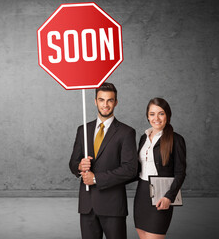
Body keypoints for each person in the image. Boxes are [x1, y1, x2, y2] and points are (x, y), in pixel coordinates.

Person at [69, 82, 138, 239]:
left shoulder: (126, 132)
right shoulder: (83, 130)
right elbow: (72, 163)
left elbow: (130, 169)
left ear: (116, 102)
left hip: (113, 206)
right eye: (101, 100)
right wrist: (79, 166)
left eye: (110, 100)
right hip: (87, 206)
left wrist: (95, 178)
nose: (105, 105)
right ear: (95, 101)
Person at [133, 98, 186, 239]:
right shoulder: (143, 138)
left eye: (161, 113)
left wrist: (169, 197)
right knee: (142, 234)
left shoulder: (176, 140)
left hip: (162, 194)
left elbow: (180, 172)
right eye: (152, 114)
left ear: (167, 115)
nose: (156, 118)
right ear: (147, 116)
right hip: (142, 193)